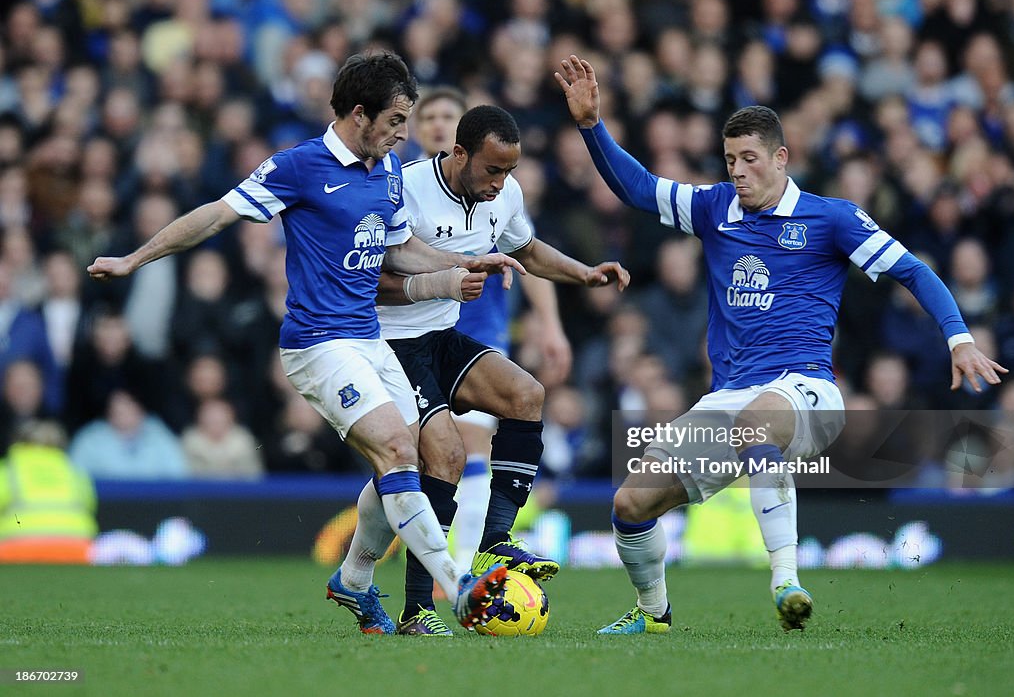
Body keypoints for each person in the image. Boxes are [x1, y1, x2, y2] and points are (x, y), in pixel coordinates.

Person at [554, 54, 1007, 633]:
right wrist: (592, 126)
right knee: (630, 503)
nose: (737, 172)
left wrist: (959, 339)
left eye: (749, 160)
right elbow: (639, 189)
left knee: (758, 420)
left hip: (806, 390)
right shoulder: (715, 209)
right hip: (730, 397)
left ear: (780, 158)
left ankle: (786, 581)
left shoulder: (832, 218)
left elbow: (913, 271)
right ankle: (653, 614)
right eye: (729, 160)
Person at [87, 52, 527, 633]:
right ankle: (456, 584)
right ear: (361, 114)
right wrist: (134, 258)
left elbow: (399, 250)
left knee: (411, 460)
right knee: (398, 447)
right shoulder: (298, 167)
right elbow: (215, 216)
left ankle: (353, 579)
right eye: (397, 121)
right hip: (318, 343)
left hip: (370, 339)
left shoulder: (388, 172)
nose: (407, 134)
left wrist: (465, 260)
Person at [348, 104, 628, 636]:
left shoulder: (506, 196)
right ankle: (417, 609)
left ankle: (494, 539)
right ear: (459, 154)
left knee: (526, 395)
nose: (501, 183)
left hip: (441, 338)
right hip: (389, 346)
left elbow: (527, 248)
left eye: (509, 172)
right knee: (447, 455)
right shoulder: (405, 191)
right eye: (491, 170)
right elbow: (367, 277)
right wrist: (443, 280)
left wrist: (583, 273)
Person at [410, 88, 573, 577]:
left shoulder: (494, 190)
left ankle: (470, 562)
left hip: (477, 330)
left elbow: (526, 253)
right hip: (408, 333)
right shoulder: (401, 189)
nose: (438, 124)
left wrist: (551, 326)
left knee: (470, 444)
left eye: (448, 115)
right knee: (424, 457)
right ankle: (431, 569)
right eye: (429, 117)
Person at [0, 420, 97, 564]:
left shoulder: (8, 469)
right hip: (77, 545)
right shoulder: (72, 469)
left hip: (17, 546)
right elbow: (90, 505)